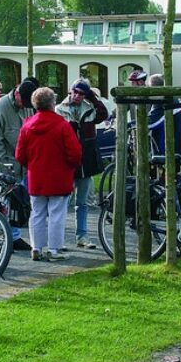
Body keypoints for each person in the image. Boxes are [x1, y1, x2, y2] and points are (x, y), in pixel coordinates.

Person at [16, 87, 82, 261]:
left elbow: (20, 155)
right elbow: (75, 153)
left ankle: (36, 246)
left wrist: (31, 165)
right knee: (56, 214)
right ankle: (53, 249)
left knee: (36, 212)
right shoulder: (62, 125)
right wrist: (72, 167)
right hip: (59, 176)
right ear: (52, 103)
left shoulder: (27, 125)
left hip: (36, 176)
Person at [0, 79, 38, 251]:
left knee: (16, 204)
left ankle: (13, 238)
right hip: (4, 165)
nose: (25, 106)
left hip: (22, 166)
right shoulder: (1, 106)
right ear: (16, 93)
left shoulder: (29, 105)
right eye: (22, 102)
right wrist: (4, 166)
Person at [56, 78, 108, 249]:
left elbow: (103, 114)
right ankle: (59, 239)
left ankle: (82, 236)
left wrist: (93, 97)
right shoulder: (60, 109)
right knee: (62, 202)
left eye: (81, 93)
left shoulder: (89, 107)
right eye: (75, 92)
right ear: (70, 91)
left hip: (85, 160)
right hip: (67, 162)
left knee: (82, 202)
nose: (77, 96)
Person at [147, 73, 181, 159]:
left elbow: (153, 122)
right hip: (174, 145)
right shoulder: (168, 98)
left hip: (170, 147)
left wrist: (136, 124)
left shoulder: (163, 100)